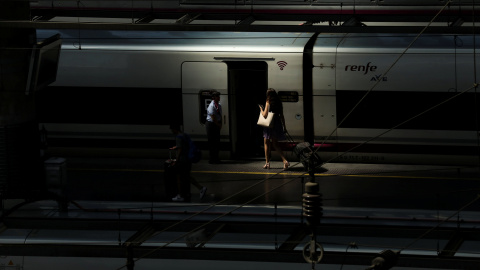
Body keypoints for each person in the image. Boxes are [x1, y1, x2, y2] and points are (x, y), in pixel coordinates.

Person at [169, 124, 207, 201]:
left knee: (179, 177)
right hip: (188, 159)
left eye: (172, 129)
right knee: (187, 176)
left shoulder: (178, 137)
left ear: (174, 129)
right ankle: (200, 188)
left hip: (182, 160)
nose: (171, 131)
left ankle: (180, 195)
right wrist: (176, 147)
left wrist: (176, 160)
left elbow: (180, 150)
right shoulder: (185, 135)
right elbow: (184, 146)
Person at [259, 88, 289, 170]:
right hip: (277, 124)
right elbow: (282, 116)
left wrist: (261, 109)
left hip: (269, 124)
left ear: (268, 95)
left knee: (266, 143)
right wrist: (284, 127)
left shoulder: (268, 102)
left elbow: (265, 115)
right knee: (275, 144)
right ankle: (285, 161)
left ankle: (267, 163)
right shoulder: (279, 103)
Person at [205, 91, 222, 164]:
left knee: (217, 142)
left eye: (219, 96)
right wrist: (218, 125)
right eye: (217, 96)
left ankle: (216, 158)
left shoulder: (219, 105)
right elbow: (213, 117)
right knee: (212, 142)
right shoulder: (211, 106)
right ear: (213, 98)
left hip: (216, 124)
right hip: (211, 124)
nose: (219, 97)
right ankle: (212, 159)